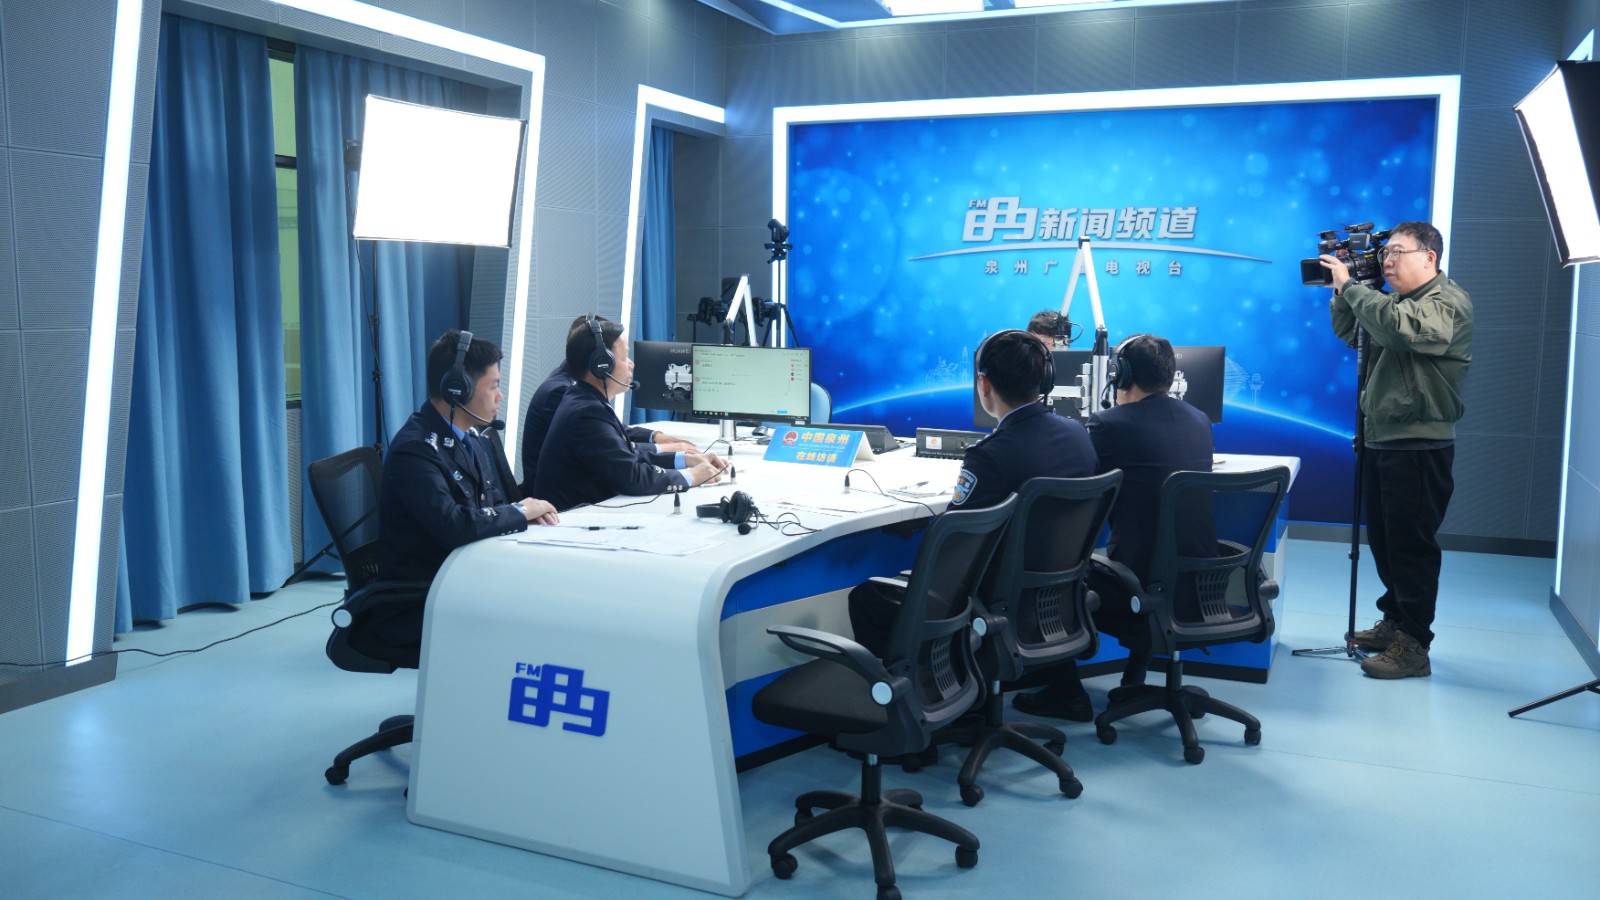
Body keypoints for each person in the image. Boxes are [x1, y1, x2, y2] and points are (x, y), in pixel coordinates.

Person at [846, 329, 1097, 657]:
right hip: (1057, 597)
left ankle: (926, 684)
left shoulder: (992, 455)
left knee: (865, 600)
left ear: (984, 384)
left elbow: (954, 541)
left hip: (997, 600)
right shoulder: (1078, 434)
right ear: (1045, 380)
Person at [1012, 333, 1214, 721]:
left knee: (1050, 573)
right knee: (1148, 552)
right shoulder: (1200, 421)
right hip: (1200, 586)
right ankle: (1132, 679)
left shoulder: (1109, 425)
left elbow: (1077, 480)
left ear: (1119, 374)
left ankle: (1066, 692)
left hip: (1137, 587)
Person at [1322, 221, 1472, 679]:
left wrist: (1354, 289)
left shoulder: (1446, 302)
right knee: (1386, 543)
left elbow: (1401, 331)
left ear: (1429, 257)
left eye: (1397, 252)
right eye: (1384, 252)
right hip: (1381, 436)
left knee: (1411, 548)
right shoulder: (1393, 303)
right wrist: (1344, 293)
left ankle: (1414, 645)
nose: (1387, 260)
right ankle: (1395, 620)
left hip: (1419, 443)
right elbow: (1352, 333)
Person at [379, 330, 560, 583]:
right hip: (431, 586)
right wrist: (520, 511)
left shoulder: (470, 438)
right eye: (493, 386)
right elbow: (453, 526)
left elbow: (492, 503)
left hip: (469, 568)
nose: (500, 396)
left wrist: (525, 515)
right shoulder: (415, 450)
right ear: (458, 390)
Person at [534, 316, 727, 510]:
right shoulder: (586, 413)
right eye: (625, 357)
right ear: (602, 364)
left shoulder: (585, 400)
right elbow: (632, 477)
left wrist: (684, 459)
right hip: (573, 520)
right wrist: (692, 476)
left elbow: (626, 457)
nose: (631, 364)